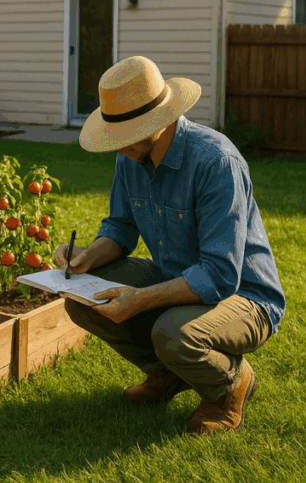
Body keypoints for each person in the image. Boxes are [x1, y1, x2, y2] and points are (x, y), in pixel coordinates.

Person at [53, 55, 285, 435]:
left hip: (245, 297)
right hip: (176, 278)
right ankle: (169, 373)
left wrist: (139, 300)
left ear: (157, 122)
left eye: (125, 135)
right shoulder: (131, 156)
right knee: (82, 301)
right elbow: (121, 228)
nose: (117, 147)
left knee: (172, 332)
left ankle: (230, 385)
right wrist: (86, 257)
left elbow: (220, 275)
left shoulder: (216, 161)